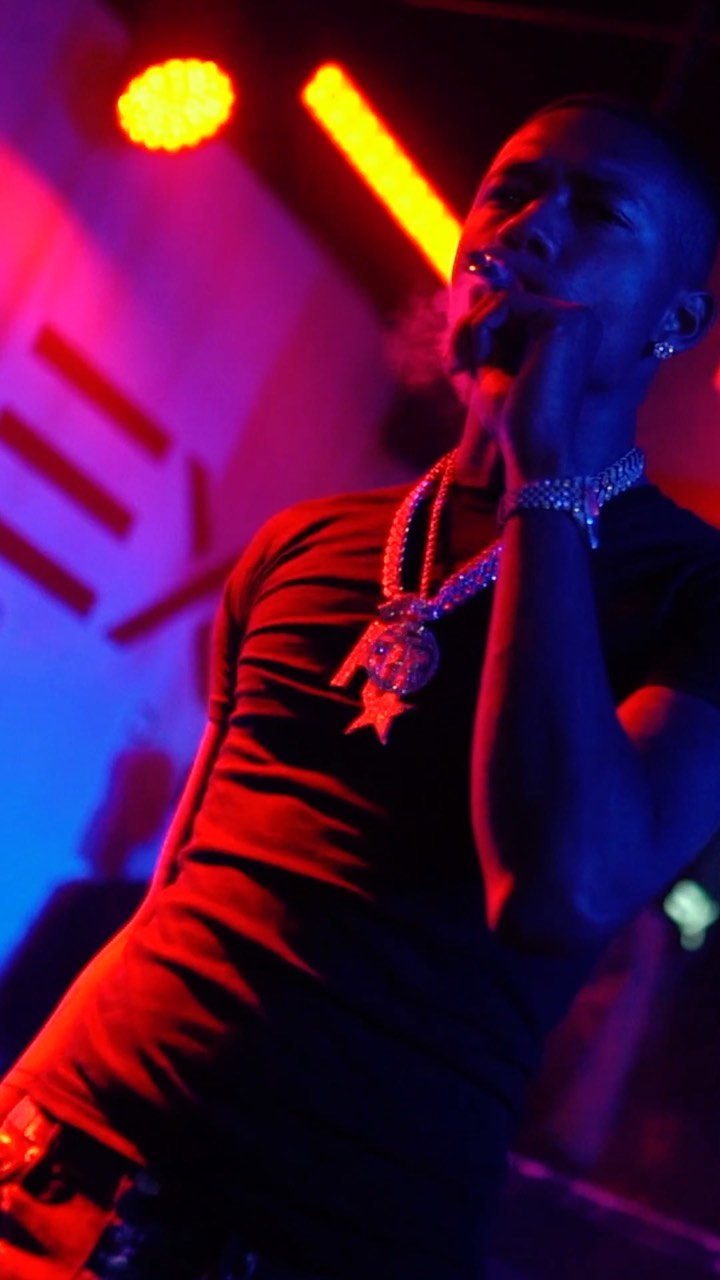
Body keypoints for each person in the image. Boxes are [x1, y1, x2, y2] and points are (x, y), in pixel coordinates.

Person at [3, 94, 720, 1280]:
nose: (529, 226)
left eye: (599, 210)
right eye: (509, 191)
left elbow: (565, 886)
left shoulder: (692, 591)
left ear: (676, 318)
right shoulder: (306, 540)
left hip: (325, 1240)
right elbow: (181, 876)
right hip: (54, 1168)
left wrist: (544, 480)